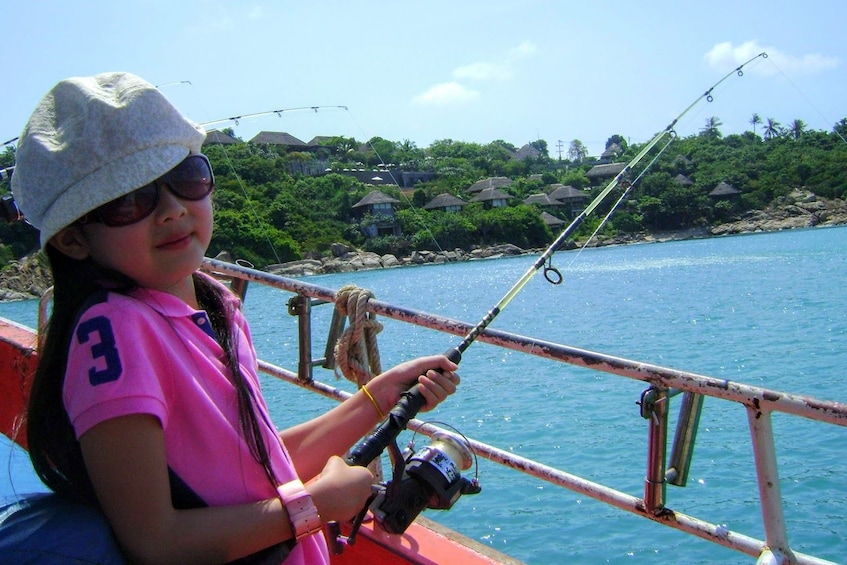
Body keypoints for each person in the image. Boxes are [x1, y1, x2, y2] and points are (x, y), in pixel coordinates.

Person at [10, 72, 460, 564]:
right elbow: (154, 540)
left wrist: (378, 397)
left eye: (185, 178)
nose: (172, 209)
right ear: (73, 239)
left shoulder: (217, 306)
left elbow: (255, 467)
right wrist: (317, 505)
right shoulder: (114, 334)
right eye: (128, 200)